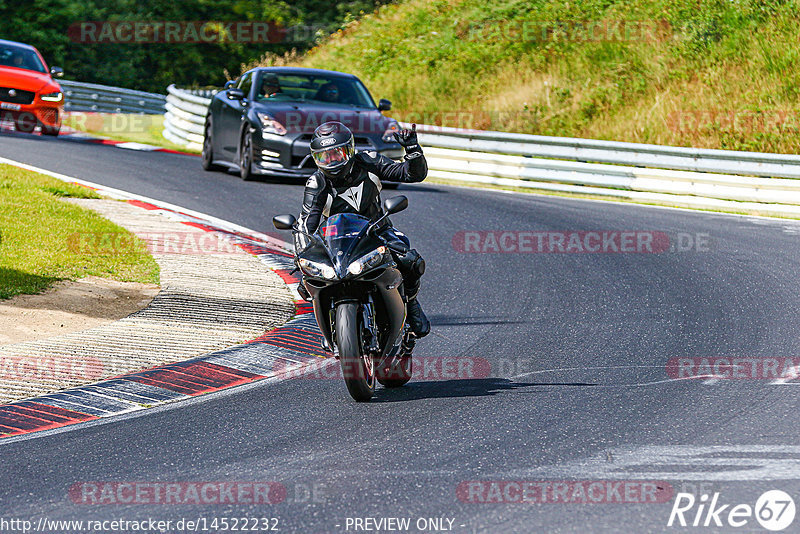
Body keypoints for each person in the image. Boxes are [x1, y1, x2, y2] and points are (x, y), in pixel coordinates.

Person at [296, 121, 430, 337]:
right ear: (315, 158)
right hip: (337, 241)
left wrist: (413, 150)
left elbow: (412, 174)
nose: (331, 161)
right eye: (324, 157)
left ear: (349, 150)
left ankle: (412, 303)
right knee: (308, 281)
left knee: (411, 262)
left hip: (377, 231)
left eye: (336, 154)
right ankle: (331, 328)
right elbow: (306, 223)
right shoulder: (317, 183)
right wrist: (300, 257)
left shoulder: (369, 161)